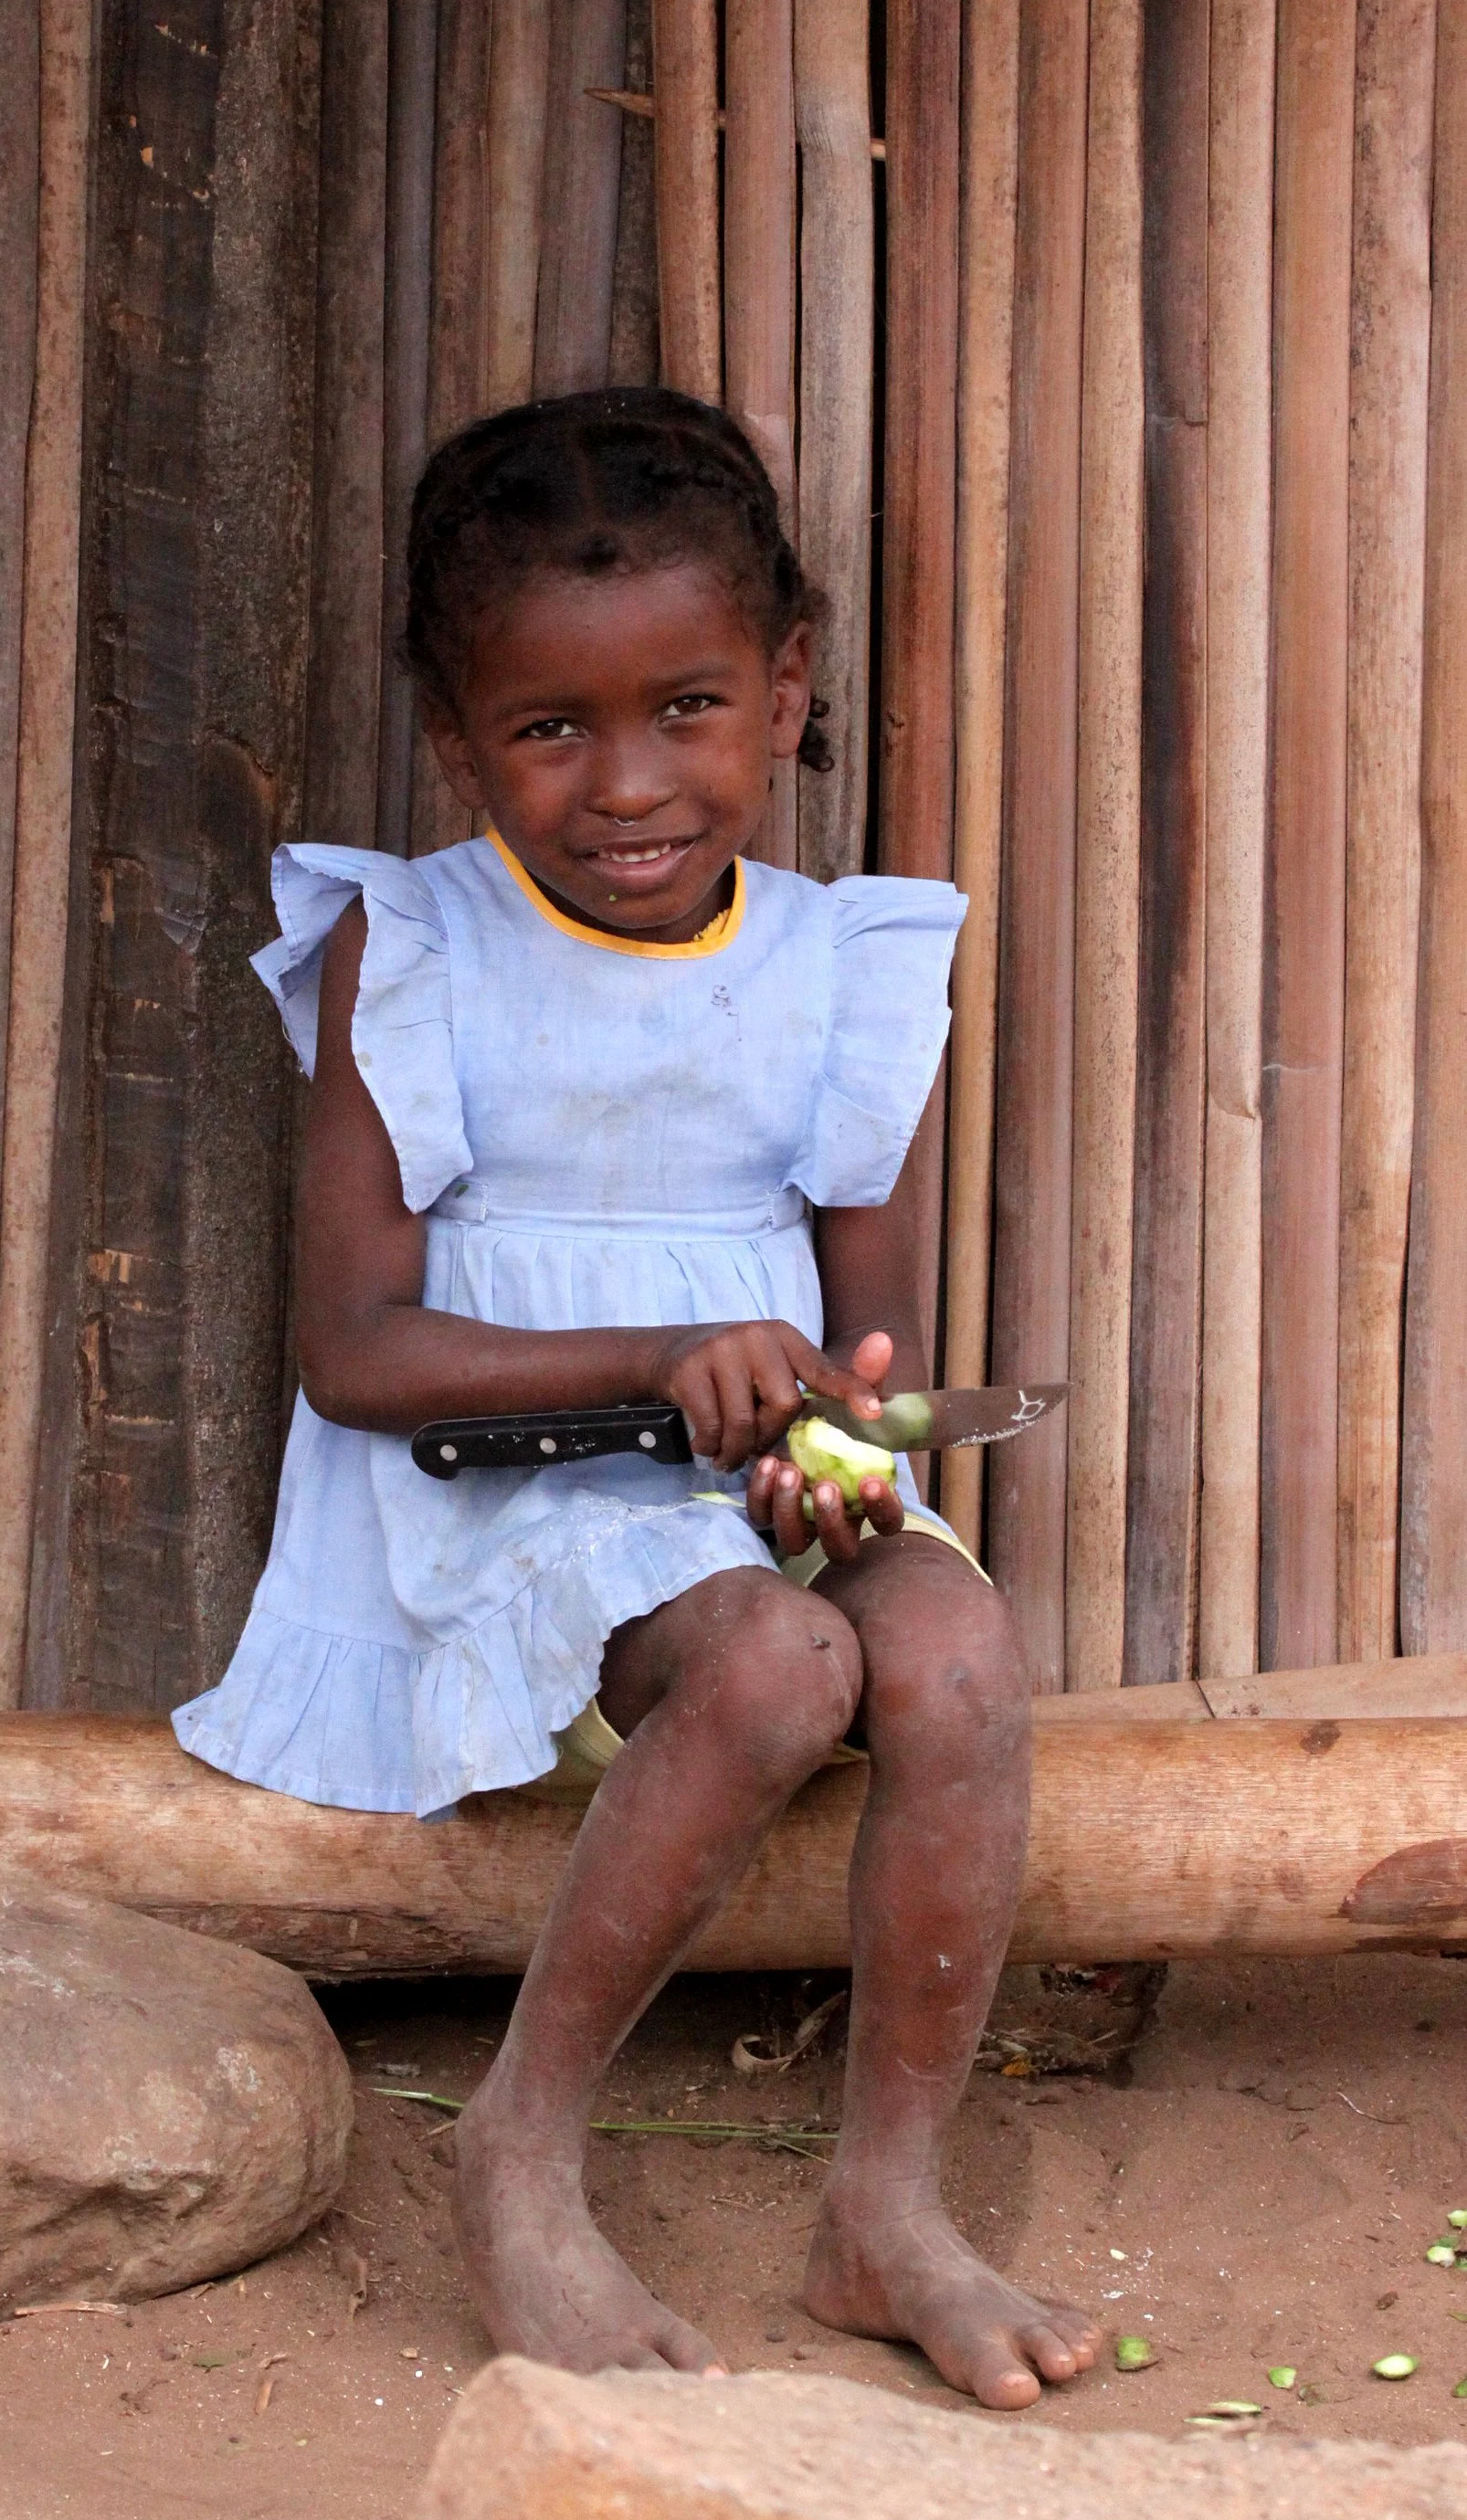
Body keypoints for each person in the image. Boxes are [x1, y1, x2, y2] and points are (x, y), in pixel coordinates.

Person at [176, 387, 1098, 2410]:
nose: (627, 782)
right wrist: (651, 1377)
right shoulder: (412, 950)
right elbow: (355, 1349)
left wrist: (832, 1447)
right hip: (500, 1473)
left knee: (952, 1654)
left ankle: (891, 2205)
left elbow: (867, 1349)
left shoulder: (842, 967)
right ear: (454, 733)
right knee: (775, 1673)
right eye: (550, 727)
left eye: (686, 707)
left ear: (781, 692)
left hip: (750, 1477)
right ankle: (519, 2146)